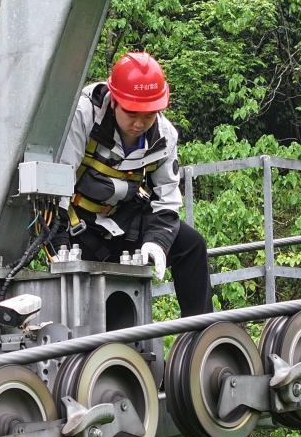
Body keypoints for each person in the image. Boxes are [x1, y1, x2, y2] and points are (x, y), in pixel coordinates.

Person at [54, 51, 213, 316]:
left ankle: (200, 333)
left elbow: (167, 201)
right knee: (91, 307)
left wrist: (156, 243)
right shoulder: (83, 115)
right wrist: (60, 246)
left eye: (148, 115)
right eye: (131, 113)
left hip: (124, 220)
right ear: (114, 101)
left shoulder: (164, 137)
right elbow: (58, 185)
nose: (139, 123)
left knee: (191, 245)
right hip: (77, 226)